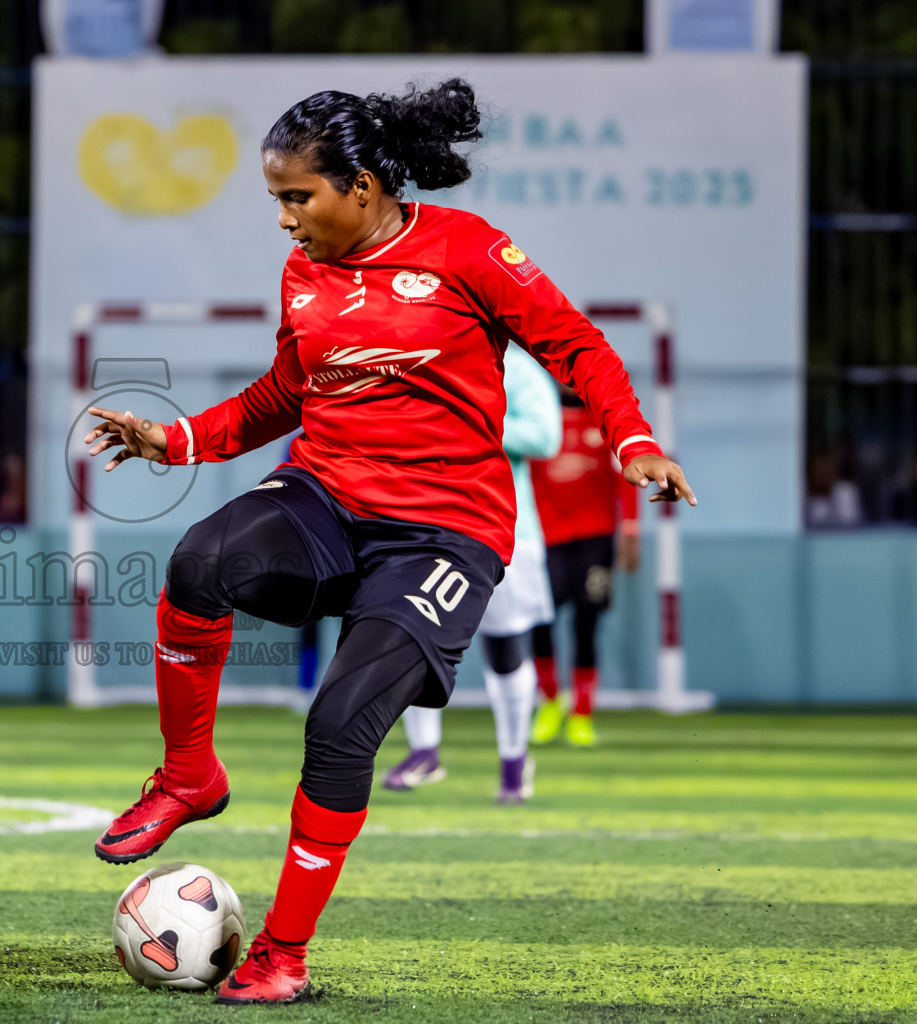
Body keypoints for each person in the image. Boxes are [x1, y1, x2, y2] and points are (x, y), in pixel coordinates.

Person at [81, 80, 695, 1004]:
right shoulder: (304, 274)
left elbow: (578, 347)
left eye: (299, 198)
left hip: (445, 536)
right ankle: (188, 775)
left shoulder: (469, 250)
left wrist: (633, 440)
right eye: (277, 200)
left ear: (362, 186)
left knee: (340, 725)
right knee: (200, 561)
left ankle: (282, 955)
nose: (286, 220)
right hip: (327, 495)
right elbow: (283, 396)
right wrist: (176, 441)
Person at [386, 344, 561, 803]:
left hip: (503, 529)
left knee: (505, 647)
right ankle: (423, 752)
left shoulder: (520, 372)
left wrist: (470, 423)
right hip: (425, 525)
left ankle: (514, 760)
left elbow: (546, 437)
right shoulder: (425, 355)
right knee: (408, 635)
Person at [529, 386, 642, 747]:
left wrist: (630, 529)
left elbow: (627, 476)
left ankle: (581, 712)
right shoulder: (540, 420)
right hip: (546, 537)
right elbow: (521, 478)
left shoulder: (604, 422)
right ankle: (549, 701)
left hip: (595, 537)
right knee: (541, 619)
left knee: (586, 623)